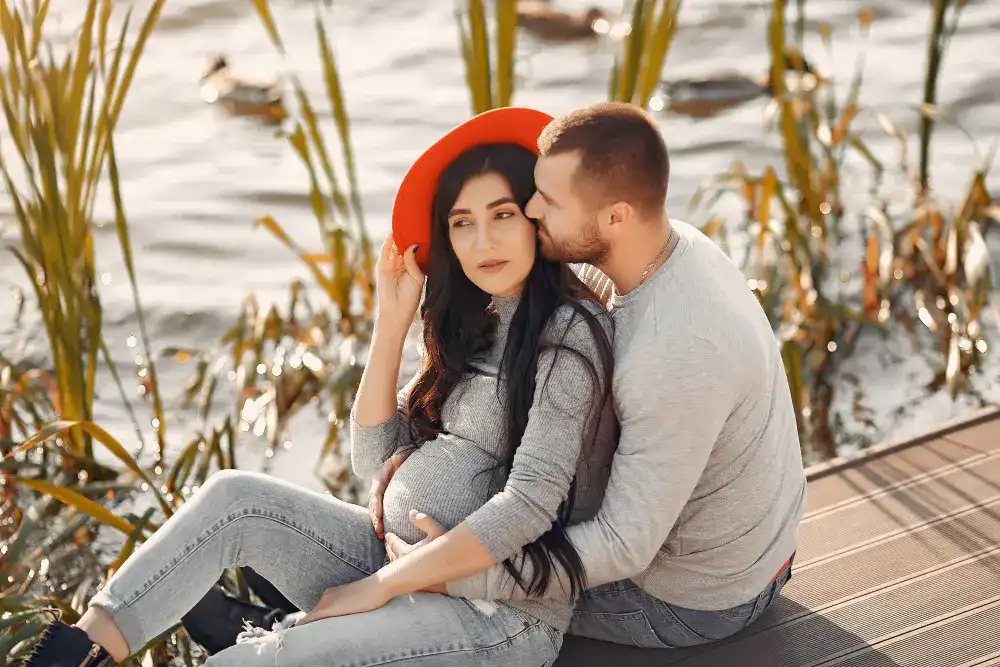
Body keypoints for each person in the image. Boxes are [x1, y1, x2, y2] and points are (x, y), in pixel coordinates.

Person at [23, 107, 617, 667]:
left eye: (502, 215)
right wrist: (390, 329)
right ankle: (81, 653)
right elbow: (372, 459)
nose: (482, 242)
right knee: (235, 499)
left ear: (537, 219)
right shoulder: (477, 323)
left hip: (497, 613)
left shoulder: (567, 332)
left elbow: (532, 501)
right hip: (388, 559)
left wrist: (385, 584)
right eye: (463, 223)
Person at [328, 101, 808, 650]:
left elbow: (622, 547)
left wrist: (443, 578)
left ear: (615, 216)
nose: (531, 209)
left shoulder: (676, 350)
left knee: (424, 605)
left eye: (548, 203)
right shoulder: (664, 247)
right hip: (746, 542)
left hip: (693, 598)